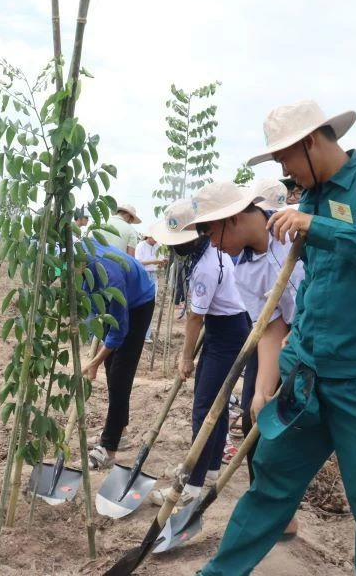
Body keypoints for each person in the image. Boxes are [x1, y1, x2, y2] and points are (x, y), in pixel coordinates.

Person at [197, 100, 356, 576]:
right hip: (307, 382)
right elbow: (295, 309)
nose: (285, 174)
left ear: (310, 143)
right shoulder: (312, 201)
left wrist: (319, 226)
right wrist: (268, 382)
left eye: (286, 161)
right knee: (270, 488)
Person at [188, 178, 304, 537]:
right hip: (283, 343)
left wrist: (298, 337)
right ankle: (277, 514)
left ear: (234, 219)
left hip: (334, 343)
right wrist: (263, 386)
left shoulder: (296, 226)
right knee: (256, 418)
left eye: (211, 233)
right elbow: (271, 325)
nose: (212, 243)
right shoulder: (240, 268)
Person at [148, 198, 250, 506]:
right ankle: (210, 470)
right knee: (214, 407)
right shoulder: (210, 253)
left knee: (204, 410)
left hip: (228, 335)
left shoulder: (206, 266)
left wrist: (185, 357)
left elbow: (195, 317)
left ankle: (191, 486)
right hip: (225, 328)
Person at [80, 237, 156, 469]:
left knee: (120, 375)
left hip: (138, 303)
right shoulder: (71, 256)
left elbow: (118, 331)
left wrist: (93, 362)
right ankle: (119, 430)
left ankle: (109, 448)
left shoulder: (109, 276)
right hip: (116, 300)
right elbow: (61, 271)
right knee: (112, 370)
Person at [134, 234, 167, 342]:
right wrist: (154, 261)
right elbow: (137, 262)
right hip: (143, 274)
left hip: (153, 275)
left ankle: (146, 335)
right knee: (140, 303)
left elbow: (160, 263)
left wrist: (162, 264)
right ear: (148, 236)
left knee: (151, 303)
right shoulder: (140, 246)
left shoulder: (159, 246)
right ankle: (138, 332)